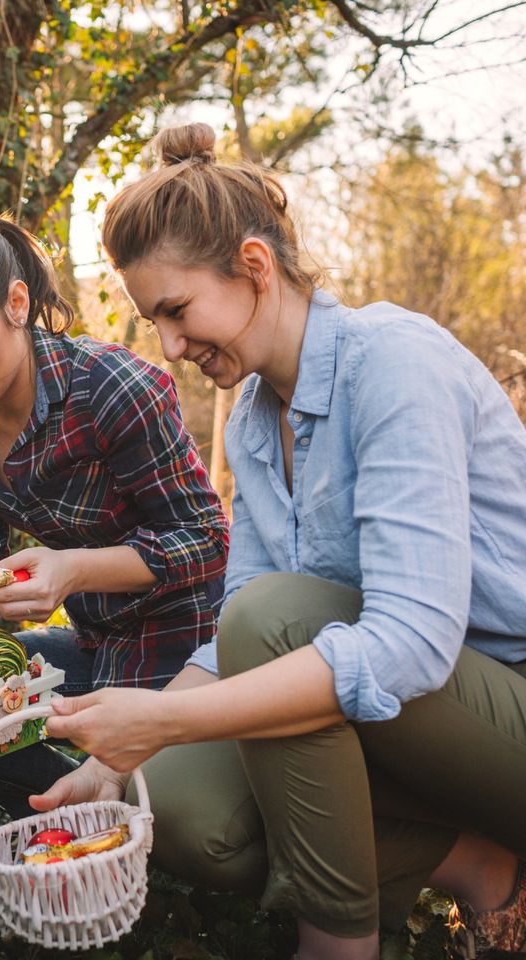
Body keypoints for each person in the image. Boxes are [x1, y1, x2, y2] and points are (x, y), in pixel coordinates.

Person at [34, 122, 526, 959]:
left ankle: (336, 946)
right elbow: (237, 639)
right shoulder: (260, 424)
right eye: (156, 321)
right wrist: (127, 756)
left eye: (178, 311)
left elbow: (408, 641)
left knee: (274, 621)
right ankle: (481, 868)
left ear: (255, 268)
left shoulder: (393, 367)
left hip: (499, 710)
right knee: (184, 804)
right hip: (400, 725)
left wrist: (162, 713)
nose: (172, 347)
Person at [0, 201, 229, 815]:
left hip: (189, 648)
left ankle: (125, 810)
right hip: (96, 645)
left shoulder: (112, 389)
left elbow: (207, 541)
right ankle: (78, 821)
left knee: (171, 811)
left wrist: (72, 569)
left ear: (16, 304)